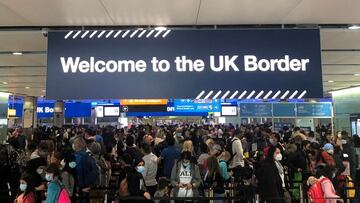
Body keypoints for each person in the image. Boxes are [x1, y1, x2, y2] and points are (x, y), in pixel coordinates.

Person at [73, 137, 99, 203]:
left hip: (78, 189)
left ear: (77, 145)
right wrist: (89, 184)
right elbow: (95, 172)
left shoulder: (76, 157)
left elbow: (78, 173)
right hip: (87, 188)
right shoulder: (89, 157)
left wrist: (80, 187)